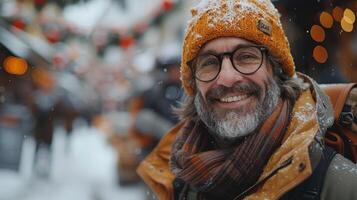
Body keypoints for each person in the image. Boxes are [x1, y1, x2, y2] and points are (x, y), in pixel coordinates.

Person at [137, 0, 357, 199]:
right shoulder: (173, 182)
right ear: (193, 83)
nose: (227, 78)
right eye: (209, 62)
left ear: (277, 71)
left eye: (246, 57)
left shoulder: (340, 187)